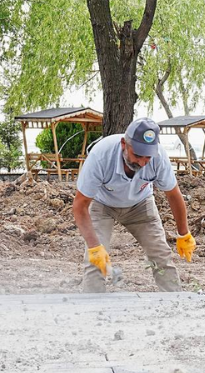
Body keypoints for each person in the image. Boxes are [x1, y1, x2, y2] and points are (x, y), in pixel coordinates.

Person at [73, 118, 195, 292]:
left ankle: (174, 303)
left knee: (161, 255)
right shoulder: (101, 156)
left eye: (147, 157)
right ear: (124, 144)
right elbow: (79, 205)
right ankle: (91, 310)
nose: (142, 162)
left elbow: (173, 194)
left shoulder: (158, 158)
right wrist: (94, 246)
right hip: (103, 205)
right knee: (95, 262)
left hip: (140, 205)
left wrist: (184, 233)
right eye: (137, 155)